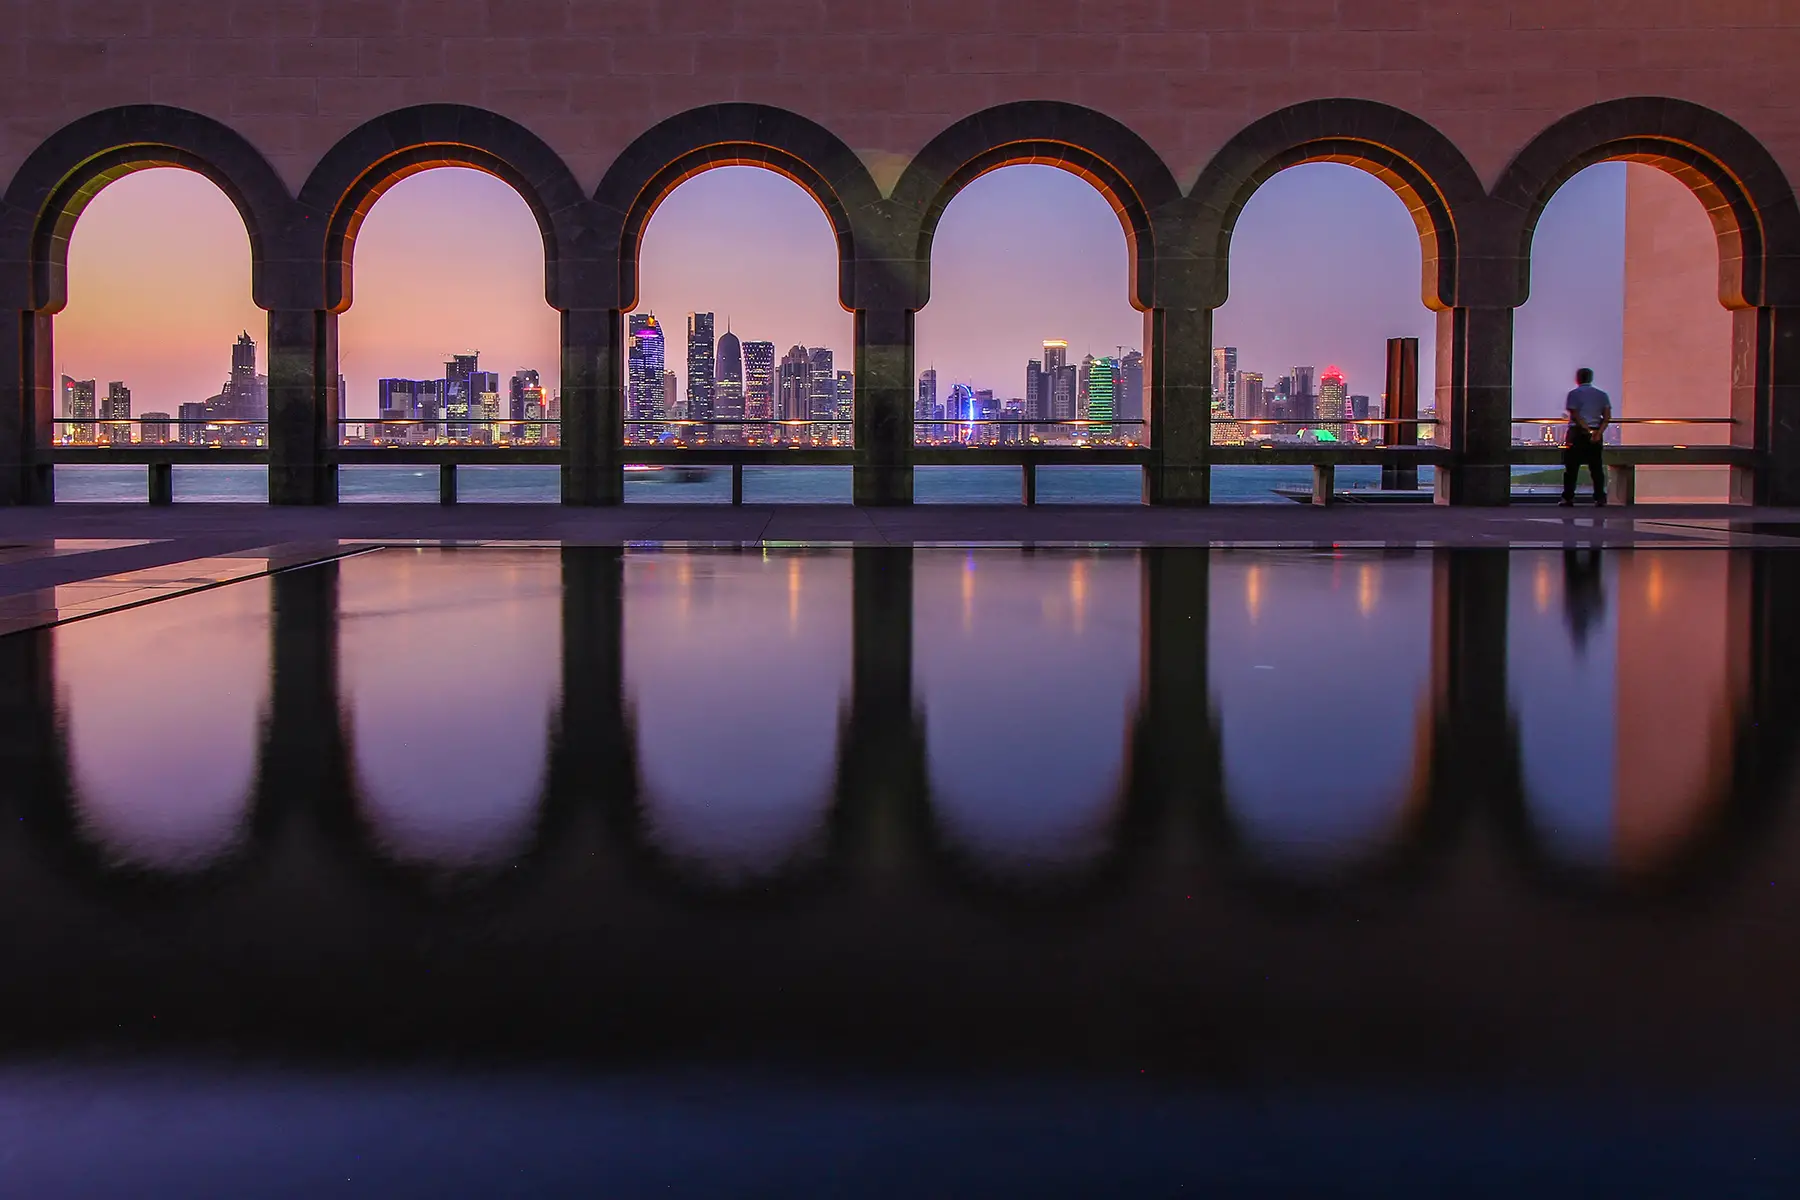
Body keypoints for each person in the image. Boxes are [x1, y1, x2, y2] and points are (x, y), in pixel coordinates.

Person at [1560, 367, 1612, 507]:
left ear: (1577, 378)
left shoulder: (1573, 394)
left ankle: (1568, 497)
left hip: (1577, 433)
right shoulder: (1602, 395)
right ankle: (1599, 497)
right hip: (1596, 433)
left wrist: (1587, 430)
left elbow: (1575, 415)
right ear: (1591, 378)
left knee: (1571, 467)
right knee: (1596, 467)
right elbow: (1607, 417)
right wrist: (1598, 433)